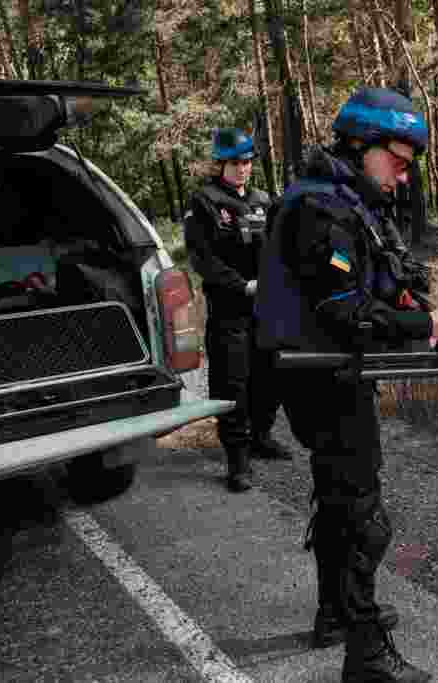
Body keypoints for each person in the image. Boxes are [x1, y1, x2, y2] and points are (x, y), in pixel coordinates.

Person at [255, 88, 438, 683]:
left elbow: (375, 289)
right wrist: (428, 325)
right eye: (397, 162)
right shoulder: (321, 210)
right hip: (317, 375)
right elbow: (344, 314)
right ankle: (367, 654)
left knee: (337, 496)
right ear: (361, 145)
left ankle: (335, 611)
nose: (402, 177)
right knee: (361, 514)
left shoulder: (344, 202)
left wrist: (413, 309)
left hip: (322, 370)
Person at [184, 127, 294, 494]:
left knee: (271, 377)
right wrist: (242, 285)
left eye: (248, 162)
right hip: (230, 308)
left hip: (267, 309)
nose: (244, 169)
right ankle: (237, 460)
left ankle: (260, 437)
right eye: (236, 163)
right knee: (233, 385)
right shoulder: (205, 201)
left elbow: (282, 248)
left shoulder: (265, 200)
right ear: (221, 164)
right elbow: (203, 259)